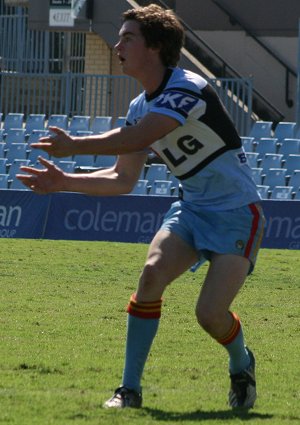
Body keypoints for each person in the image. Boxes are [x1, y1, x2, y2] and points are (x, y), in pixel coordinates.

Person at [17, 4, 265, 410]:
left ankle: (241, 361)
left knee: (209, 315)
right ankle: (128, 391)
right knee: (150, 276)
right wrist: (64, 182)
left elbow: (138, 139)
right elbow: (122, 179)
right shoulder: (138, 106)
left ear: (155, 47)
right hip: (192, 209)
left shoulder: (188, 86)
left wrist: (75, 145)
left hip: (238, 212)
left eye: (127, 37)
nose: (118, 45)